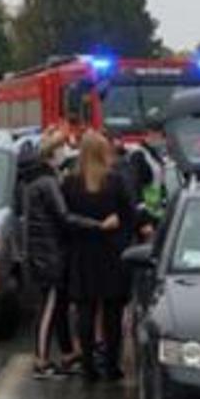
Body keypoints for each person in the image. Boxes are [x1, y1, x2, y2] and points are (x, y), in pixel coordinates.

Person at [19, 131, 99, 379]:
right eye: (62, 148)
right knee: (49, 308)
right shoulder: (47, 182)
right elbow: (64, 217)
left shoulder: (36, 181)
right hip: (48, 255)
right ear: (53, 153)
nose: (66, 152)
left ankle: (67, 354)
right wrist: (96, 224)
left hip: (43, 252)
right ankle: (41, 361)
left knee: (58, 306)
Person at [62, 131, 136, 382]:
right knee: (112, 312)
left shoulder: (70, 182)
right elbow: (130, 214)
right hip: (112, 253)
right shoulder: (114, 181)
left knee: (85, 311)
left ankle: (88, 366)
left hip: (82, 254)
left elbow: (65, 219)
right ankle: (111, 365)